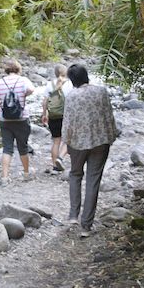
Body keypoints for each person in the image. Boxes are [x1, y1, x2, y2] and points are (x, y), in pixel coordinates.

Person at [62, 63, 118, 238]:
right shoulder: (101, 91)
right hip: (100, 142)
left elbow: (68, 122)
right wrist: (112, 135)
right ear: (86, 76)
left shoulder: (71, 96)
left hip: (78, 143)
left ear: (72, 80)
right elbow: (109, 115)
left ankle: (73, 215)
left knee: (75, 174)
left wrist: (66, 142)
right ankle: (86, 225)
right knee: (93, 180)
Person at [0, 58, 36, 182]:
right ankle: (26, 173)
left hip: (4, 119)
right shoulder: (23, 80)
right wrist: (23, 95)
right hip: (21, 118)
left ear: (6, 69)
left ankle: (5, 177)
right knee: (23, 147)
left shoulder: (0, 82)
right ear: (18, 69)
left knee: (7, 148)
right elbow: (32, 90)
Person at [40, 64, 71, 172]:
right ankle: (61, 158)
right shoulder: (70, 84)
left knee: (56, 141)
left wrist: (44, 114)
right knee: (68, 140)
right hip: (66, 115)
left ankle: (54, 165)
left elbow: (45, 101)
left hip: (53, 116)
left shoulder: (50, 84)